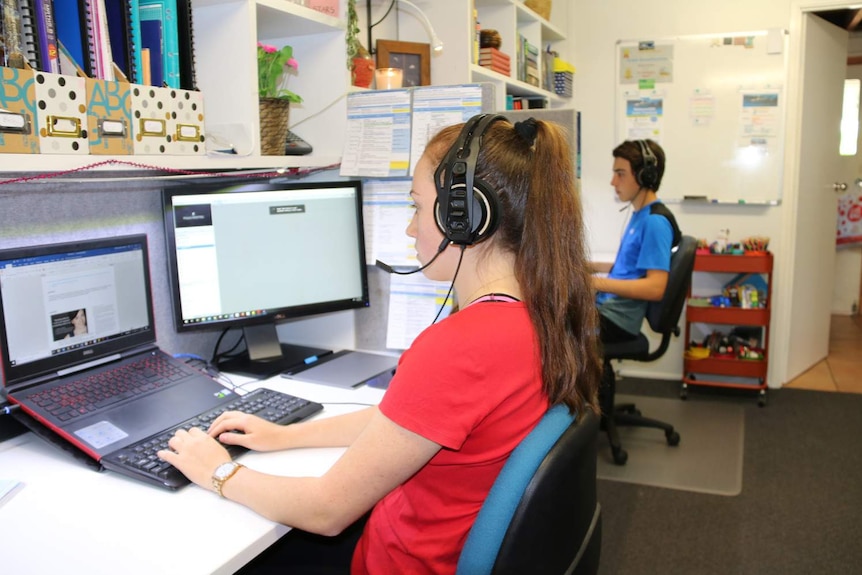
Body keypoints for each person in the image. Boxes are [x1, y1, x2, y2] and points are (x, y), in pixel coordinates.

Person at [157, 115, 601, 574]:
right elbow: (405, 423)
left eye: (416, 206)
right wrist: (285, 436)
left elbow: (326, 511)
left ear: (465, 216)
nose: (411, 229)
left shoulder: (462, 345)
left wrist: (218, 471)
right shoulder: (538, 315)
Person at [593, 139, 681, 344]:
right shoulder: (641, 215)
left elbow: (655, 288)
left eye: (620, 173)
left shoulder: (655, 222)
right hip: (609, 309)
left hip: (617, 320)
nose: (613, 182)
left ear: (645, 176)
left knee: (549, 327)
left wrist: (594, 282)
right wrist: (588, 267)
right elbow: (631, 268)